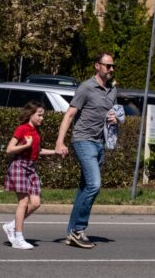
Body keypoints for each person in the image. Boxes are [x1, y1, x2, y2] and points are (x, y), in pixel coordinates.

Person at [55, 52, 120, 249]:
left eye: (112, 66)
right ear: (97, 66)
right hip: (83, 140)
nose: (111, 70)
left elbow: (114, 113)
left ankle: (71, 233)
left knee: (85, 188)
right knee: (94, 184)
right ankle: (78, 230)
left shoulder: (112, 91)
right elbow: (69, 115)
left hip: (100, 143)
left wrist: (115, 119)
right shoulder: (86, 87)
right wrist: (60, 142)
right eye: (107, 66)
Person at [2, 101, 57, 250]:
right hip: (19, 165)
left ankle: (11, 226)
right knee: (23, 202)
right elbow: (9, 149)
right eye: (39, 115)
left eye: (42, 115)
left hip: (31, 168)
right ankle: (18, 238)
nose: (41, 118)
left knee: (36, 202)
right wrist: (25, 145)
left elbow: (37, 150)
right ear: (30, 114)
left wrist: (55, 152)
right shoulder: (22, 129)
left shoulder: (36, 131)